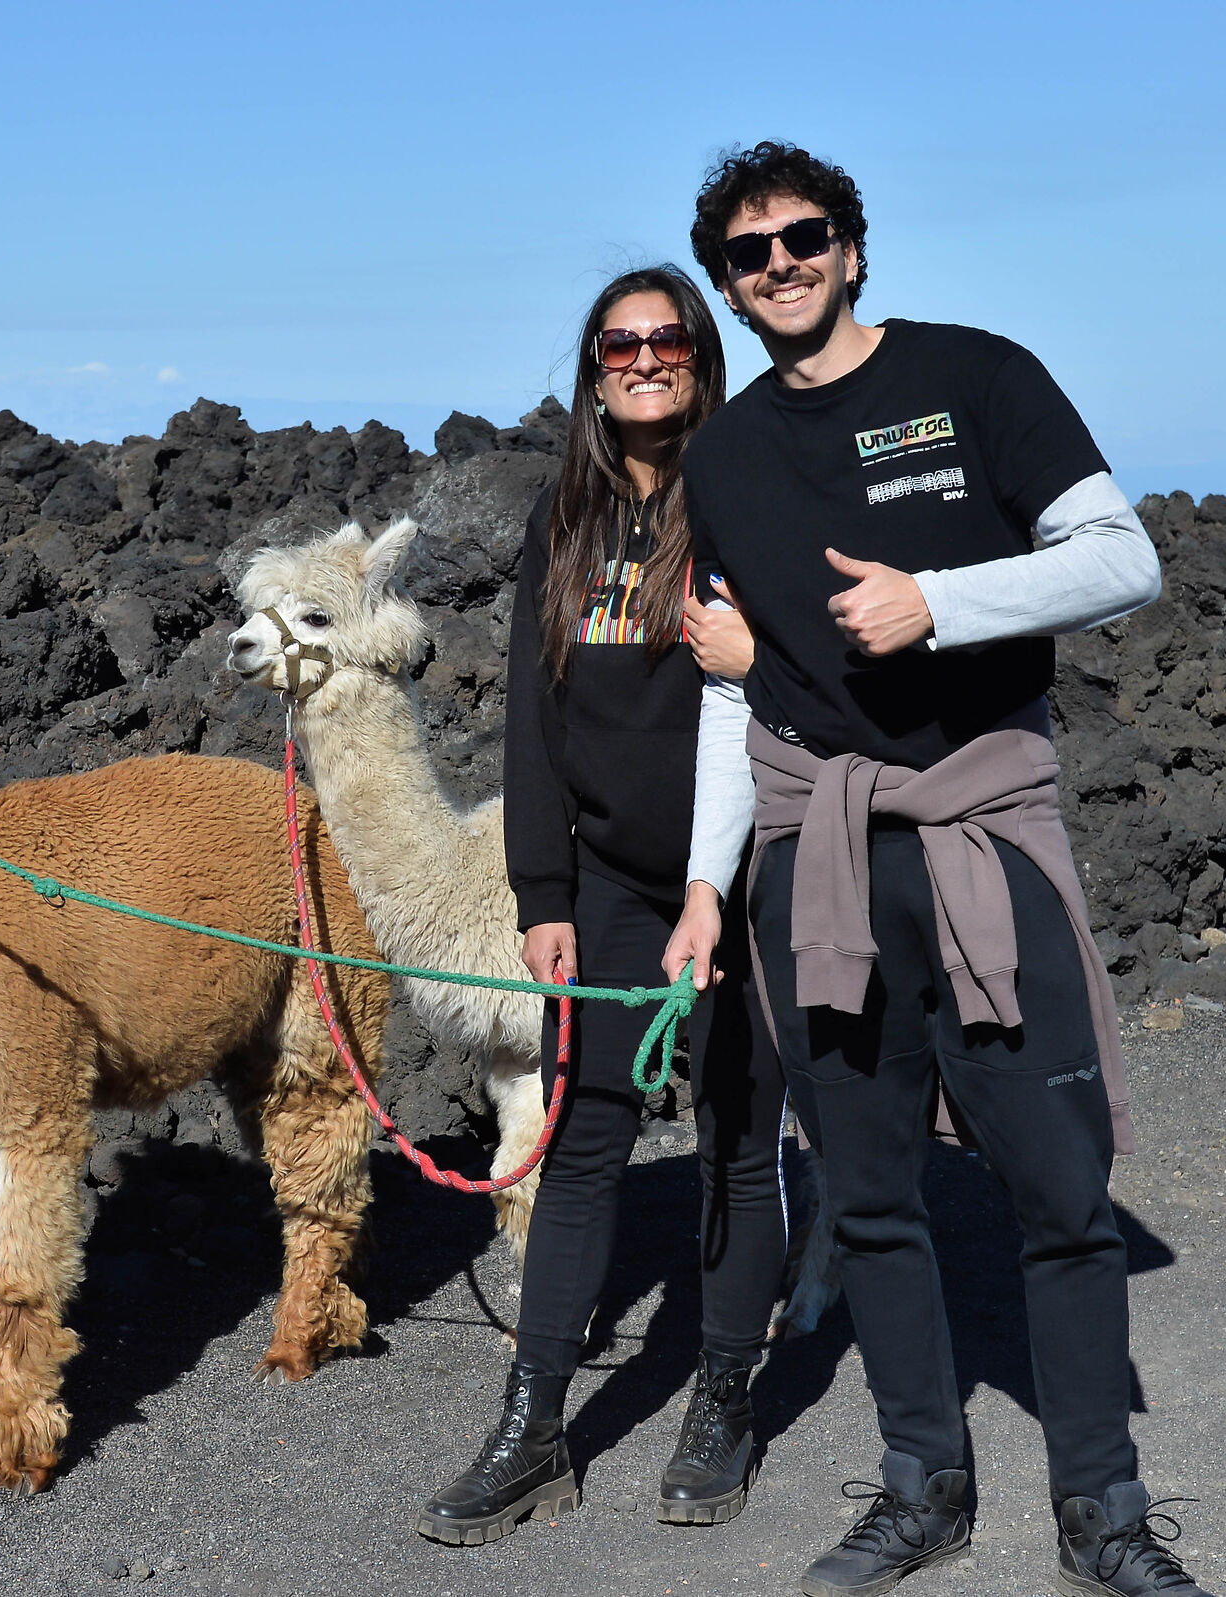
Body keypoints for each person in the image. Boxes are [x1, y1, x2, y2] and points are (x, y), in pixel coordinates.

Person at [660, 143, 1217, 1597]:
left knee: (1059, 1189)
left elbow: (1122, 558)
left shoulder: (977, 376)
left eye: (801, 238)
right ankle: (923, 1488)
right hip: (818, 855)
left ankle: (1103, 1511)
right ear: (726, 281)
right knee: (869, 1188)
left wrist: (942, 605)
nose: (776, 267)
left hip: (980, 834)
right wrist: (714, 883)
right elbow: (745, 691)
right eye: (746, 253)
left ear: (852, 247)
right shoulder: (720, 459)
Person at [415, 265, 791, 1546]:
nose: (643, 357)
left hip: (746, 879)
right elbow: (532, 716)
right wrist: (544, 890)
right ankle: (533, 1425)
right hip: (613, 882)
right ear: (593, 366)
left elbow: (773, 693)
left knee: (739, 1132)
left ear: (700, 353)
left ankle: (725, 1390)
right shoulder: (562, 514)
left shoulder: (747, 492)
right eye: (618, 342)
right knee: (584, 1140)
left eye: (667, 337)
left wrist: (721, 883)